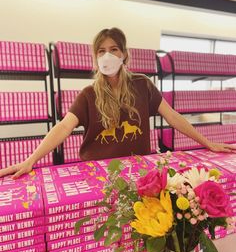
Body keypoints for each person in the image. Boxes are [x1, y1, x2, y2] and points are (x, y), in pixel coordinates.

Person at [0, 27, 235, 179]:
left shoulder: (142, 85)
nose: (107, 56)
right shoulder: (88, 94)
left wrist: (207, 142)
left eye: (113, 49)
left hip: (139, 170)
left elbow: (172, 116)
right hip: (100, 174)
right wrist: (31, 160)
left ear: (124, 54)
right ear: (95, 57)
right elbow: (63, 127)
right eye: (101, 51)